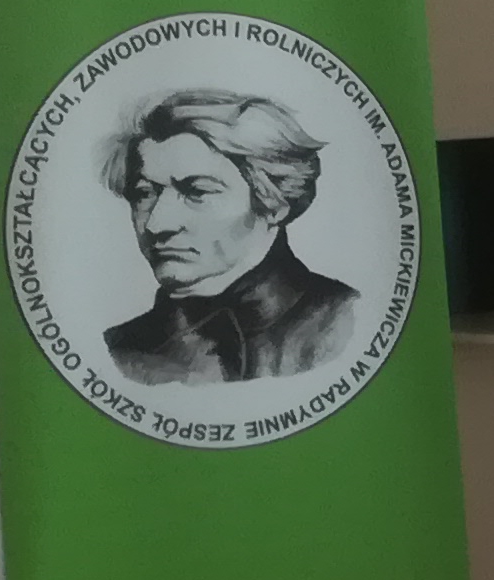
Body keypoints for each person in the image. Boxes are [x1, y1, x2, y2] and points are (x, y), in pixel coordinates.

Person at [99, 88, 363, 383]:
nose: (156, 224)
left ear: (274, 202)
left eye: (197, 191)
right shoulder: (120, 352)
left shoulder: (349, 321)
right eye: (144, 194)